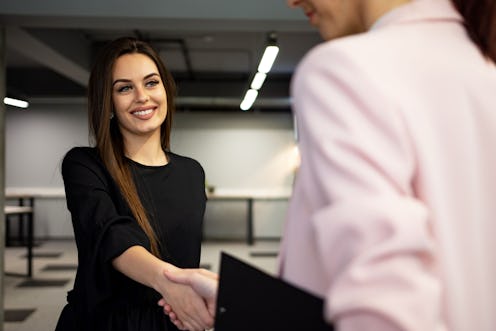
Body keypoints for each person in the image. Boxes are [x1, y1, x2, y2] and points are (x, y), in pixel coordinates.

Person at [162, 0, 496, 330]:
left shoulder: (347, 68)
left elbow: (382, 309)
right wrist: (236, 300)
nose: (291, 2)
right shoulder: (482, 67)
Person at [54, 37, 214, 331]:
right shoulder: (85, 165)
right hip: (103, 323)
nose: (142, 96)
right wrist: (170, 282)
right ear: (109, 101)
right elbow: (111, 235)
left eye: (151, 83)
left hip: (170, 321)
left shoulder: (192, 173)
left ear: (166, 89)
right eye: (125, 88)